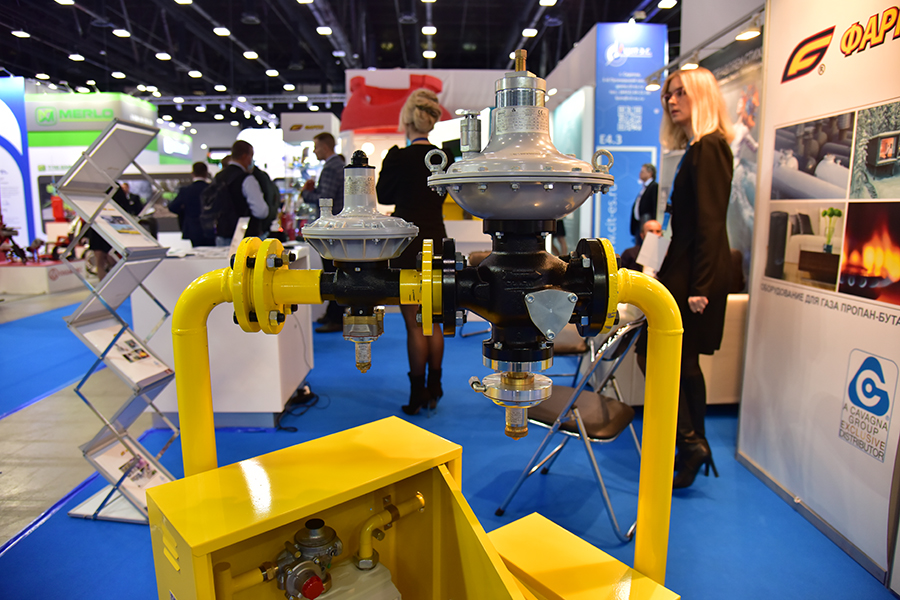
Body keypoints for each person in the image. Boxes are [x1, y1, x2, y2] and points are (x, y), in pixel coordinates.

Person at [638, 67, 734, 489]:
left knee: (654, 352)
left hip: (695, 275)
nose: (671, 101)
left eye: (680, 93)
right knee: (685, 360)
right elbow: (697, 220)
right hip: (686, 266)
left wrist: (700, 287)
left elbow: (712, 224)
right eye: (668, 95)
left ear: (702, 95)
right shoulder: (699, 147)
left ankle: (691, 442)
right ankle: (695, 443)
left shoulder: (710, 147)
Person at [376, 89, 450, 416]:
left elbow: (383, 195)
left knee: (414, 323)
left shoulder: (398, 157)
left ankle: (417, 393)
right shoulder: (444, 158)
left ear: (407, 121)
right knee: (434, 320)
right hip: (438, 242)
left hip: (407, 245)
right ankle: (435, 386)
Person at [301, 132, 346, 332]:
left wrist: (306, 193)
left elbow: (325, 200)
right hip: (339, 228)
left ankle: (336, 318)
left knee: (332, 273)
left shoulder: (330, 168)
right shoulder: (339, 166)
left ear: (325, 147)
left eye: (316, 147)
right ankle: (332, 313)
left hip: (331, 230)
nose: (314, 151)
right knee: (335, 271)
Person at [214, 140, 270, 246]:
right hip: (245, 237)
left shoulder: (218, 177)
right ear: (245, 156)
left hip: (222, 234)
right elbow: (261, 211)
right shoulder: (246, 179)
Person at [168, 162, 213, 247]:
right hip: (210, 227)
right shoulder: (212, 189)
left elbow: (173, 207)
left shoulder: (186, 190)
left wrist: (184, 211)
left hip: (193, 228)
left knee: (197, 251)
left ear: (192, 174)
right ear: (206, 173)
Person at [630, 163, 658, 240]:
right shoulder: (644, 188)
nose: (640, 174)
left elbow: (654, 206)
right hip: (639, 224)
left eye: (642, 171)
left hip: (647, 224)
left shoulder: (654, 186)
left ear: (650, 173)